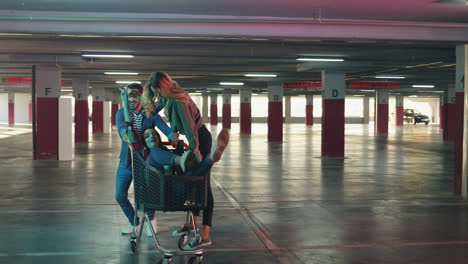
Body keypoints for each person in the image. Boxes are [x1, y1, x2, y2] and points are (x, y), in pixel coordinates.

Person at [142, 72, 229, 249]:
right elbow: (152, 112)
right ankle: (193, 224)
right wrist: (149, 98)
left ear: (162, 87)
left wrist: (194, 148)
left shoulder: (177, 101)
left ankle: (205, 234)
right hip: (194, 139)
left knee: (202, 184)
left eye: (157, 90)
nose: (156, 94)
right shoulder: (171, 96)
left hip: (199, 139)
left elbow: (190, 127)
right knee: (193, 182)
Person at [116, 83, 178, 236]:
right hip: (126, 162)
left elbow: (165, 128)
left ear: (142, 97)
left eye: (135, 95)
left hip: (145, 161)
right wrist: (126, 135)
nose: (132, 99)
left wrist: (173, 136)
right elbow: (124, 133)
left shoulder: (150, 114)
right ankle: (135, 223)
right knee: (120, 195)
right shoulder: (122, 113)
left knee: (146, 193)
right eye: (129, 95)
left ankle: (151, 220)